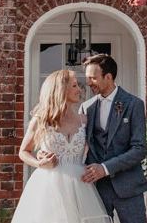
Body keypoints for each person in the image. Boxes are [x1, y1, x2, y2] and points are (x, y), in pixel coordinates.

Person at [11, 69, 112, 223]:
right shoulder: (41, 120)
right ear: (60, 89)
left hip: (81, 185)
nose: (79, 90)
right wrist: (39, 163)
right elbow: (23, 152)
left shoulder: (84, 120)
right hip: (48, 186)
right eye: (74, 86)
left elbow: (99, 148)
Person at [80, 54, 147, 223]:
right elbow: (77, 144)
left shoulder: (134, 104)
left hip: (129, 187)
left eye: (93, 78)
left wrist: (105, 168)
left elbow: (139, 149)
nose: (88, 83)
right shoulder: (86, 107)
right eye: (87, 78)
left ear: (108, 77)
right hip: (96, 189)